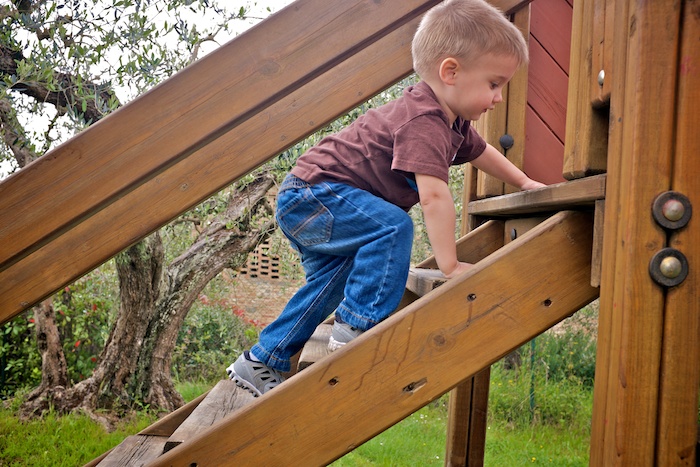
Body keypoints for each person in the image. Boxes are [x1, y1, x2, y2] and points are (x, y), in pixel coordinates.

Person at [227, 0, 546, 396]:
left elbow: (481, 152)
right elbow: (433, 196)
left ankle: (262, 359)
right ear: (451, 72)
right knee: (393, 227)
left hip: (310, 199)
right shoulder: (425, 122)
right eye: (494, 84)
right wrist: (450, 264)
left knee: (332, 282)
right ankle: (357, 326)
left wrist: (524, 182)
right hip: (314, 196)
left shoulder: (453, 123)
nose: (498, 97)